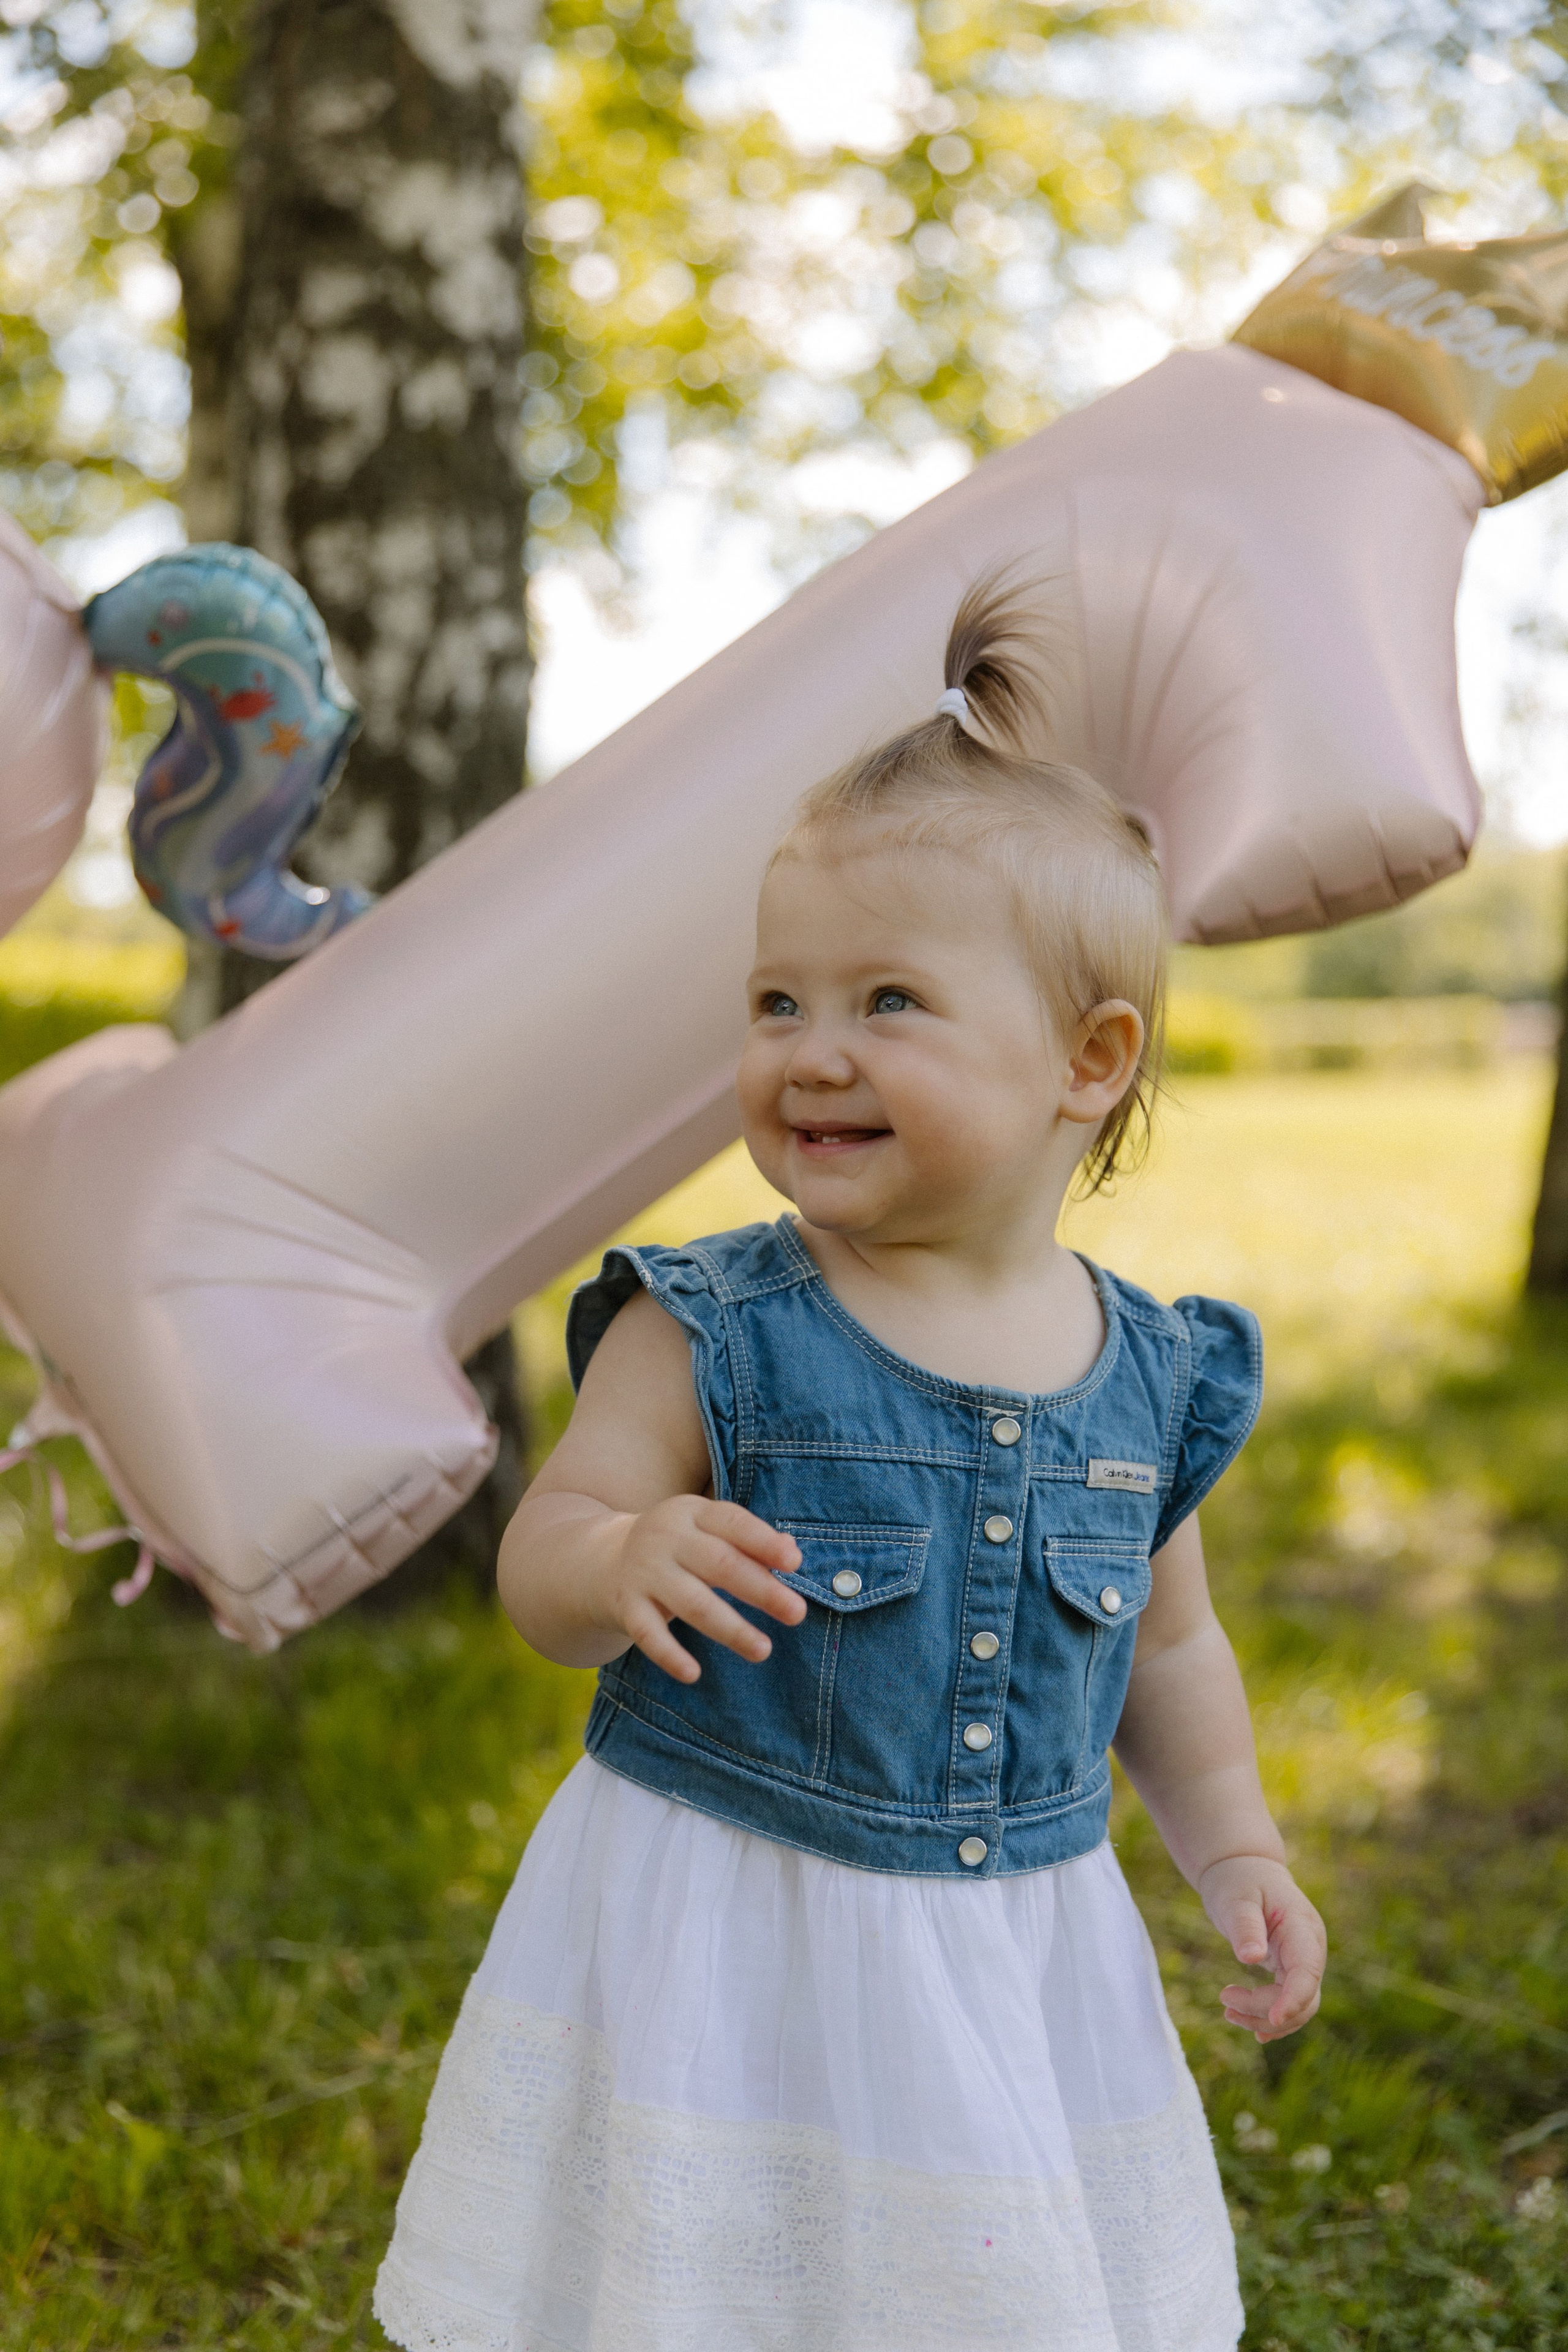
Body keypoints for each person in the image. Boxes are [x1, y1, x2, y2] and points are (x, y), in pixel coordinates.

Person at [374, 576, 1327, 2352]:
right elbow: (549, 1549)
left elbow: (1172, 1653)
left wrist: (1235, 1845)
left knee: (960, 2281)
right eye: (777, 999)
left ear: (1087, 1062)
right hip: (729, 1923)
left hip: (1009, 1951)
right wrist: (616, 1557)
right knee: (709, 2279)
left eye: (888, 1001)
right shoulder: (713, 1327)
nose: (812, 1052)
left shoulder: (1153, 1375)